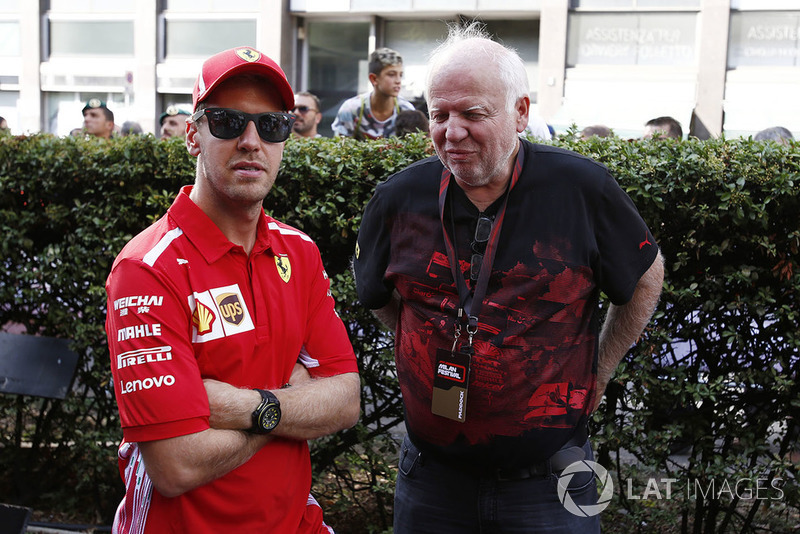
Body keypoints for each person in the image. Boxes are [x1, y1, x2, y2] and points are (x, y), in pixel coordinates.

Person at [352, 22, 664, 533]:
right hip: (431, 480)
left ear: (520, 113)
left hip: (551, 481)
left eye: (472, 114)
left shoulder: (580, 189)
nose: (452, 133)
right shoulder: (398, 200)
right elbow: (382, 299)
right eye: (440, 115)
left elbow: (646, 276)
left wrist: (601, 370)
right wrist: (430, 343)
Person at [104, 46, 361, 533]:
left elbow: (346, 399)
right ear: (193, 136)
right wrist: (288, 405)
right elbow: (177, 465)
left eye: (271, 126)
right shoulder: (146, 269)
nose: (250, 141)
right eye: (226, 121)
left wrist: (241, 407)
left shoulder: (298, 252)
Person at [331, 47, 415, 139]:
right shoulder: (351, 109)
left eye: (401, 75)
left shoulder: (407, 110)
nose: (398, 81)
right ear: (374, 79)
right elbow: (340, 149)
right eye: (391, 74)